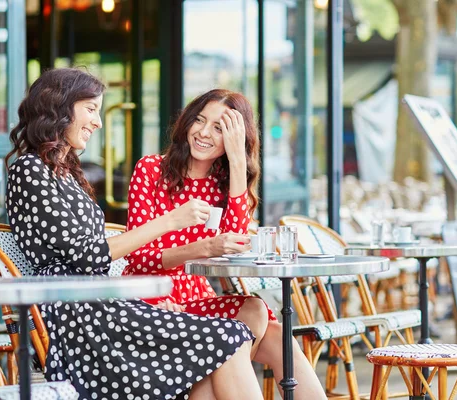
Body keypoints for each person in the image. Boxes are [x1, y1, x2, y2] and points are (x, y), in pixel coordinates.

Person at [4, 68, 265, 400]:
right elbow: (87, 256)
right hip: (77, 315)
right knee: (225, 339)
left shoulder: (65, 173)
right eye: (91, 109)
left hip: (101, 303)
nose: (98, 122)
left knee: (231, 335)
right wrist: (171, 221)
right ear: (59, 107)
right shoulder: (30, 170)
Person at [124, 89, 327, 398]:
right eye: (200, 121)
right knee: (261, 320)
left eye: (219, 128)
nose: (204, 133)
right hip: (150, 299)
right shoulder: (151, 170)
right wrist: (203, 248)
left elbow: (234, 245)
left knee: (264, 320)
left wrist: (236, 162)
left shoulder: (223, 183)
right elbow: (137, 260)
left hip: (195, 299)